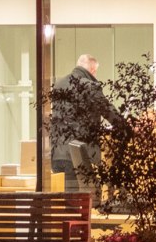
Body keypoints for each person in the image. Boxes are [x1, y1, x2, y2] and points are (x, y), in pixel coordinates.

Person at [49, 54, 124, 196]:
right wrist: (126, 127)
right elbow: (108, 111)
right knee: (86, 198)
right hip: (78, 154)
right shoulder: (89, 86)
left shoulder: (58, 84)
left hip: (57, 154)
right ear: (93, 70)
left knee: (66, 198)